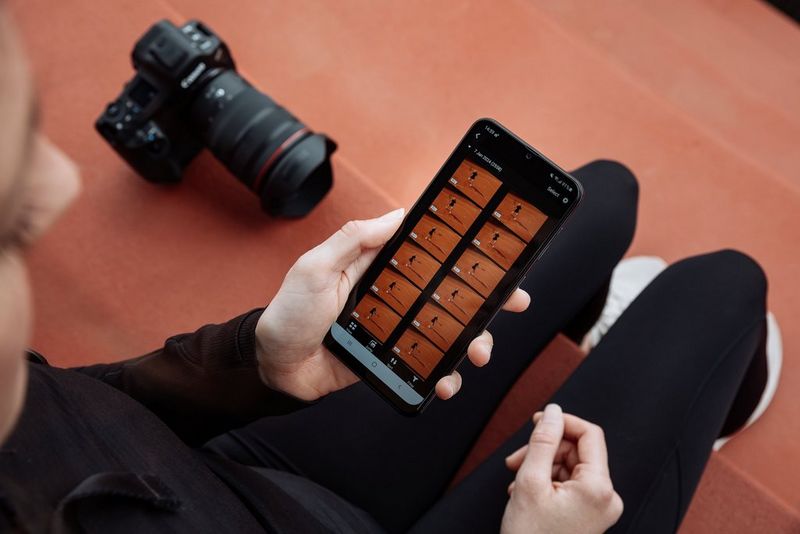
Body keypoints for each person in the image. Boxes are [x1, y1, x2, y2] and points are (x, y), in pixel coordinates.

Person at [0, 6, 780, 533]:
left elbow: (81, 413)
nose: (59, 184)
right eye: (5, 225)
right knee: (725, 288)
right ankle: (703, 397)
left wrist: (255, 360)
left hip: (239, 470)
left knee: (602, 195)